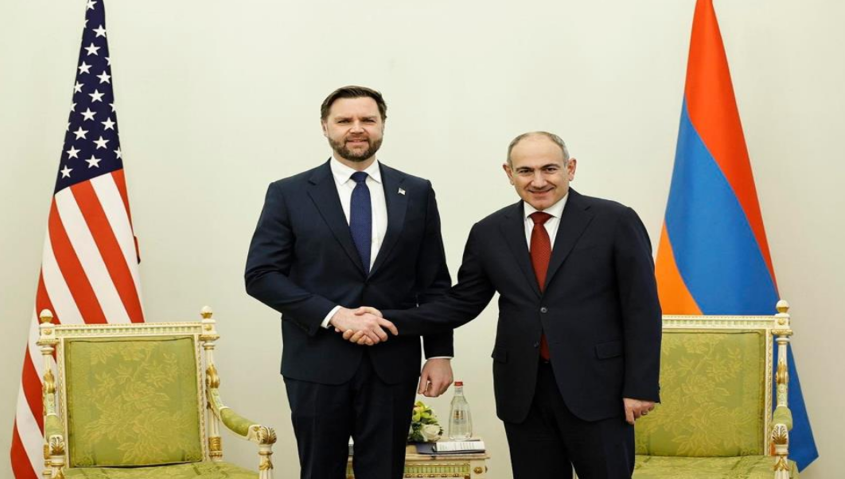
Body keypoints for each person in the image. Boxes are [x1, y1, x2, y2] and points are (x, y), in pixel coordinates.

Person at [348, 132, 662, 479]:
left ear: (570, 168)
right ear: (509, 173)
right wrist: (389, 319)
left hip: (599, 389)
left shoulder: (614, 221)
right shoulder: (489, 231)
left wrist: (640, 387)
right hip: (524, 392)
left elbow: (642, 309)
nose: (538, 181)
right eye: (526, 171)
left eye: (549, 169)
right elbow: (462, 302)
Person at [244, 86, 455, 479]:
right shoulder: (289, 193)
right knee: (320, 471)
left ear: (382, 125)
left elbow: (434, 281)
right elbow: (261, 276)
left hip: (393, 362)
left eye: (367, 120)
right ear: (325, 127)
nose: (357, 128)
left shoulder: (417, 192)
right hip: (316, 361)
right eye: (344, 120)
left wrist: (439, 353)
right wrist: (335, 315)